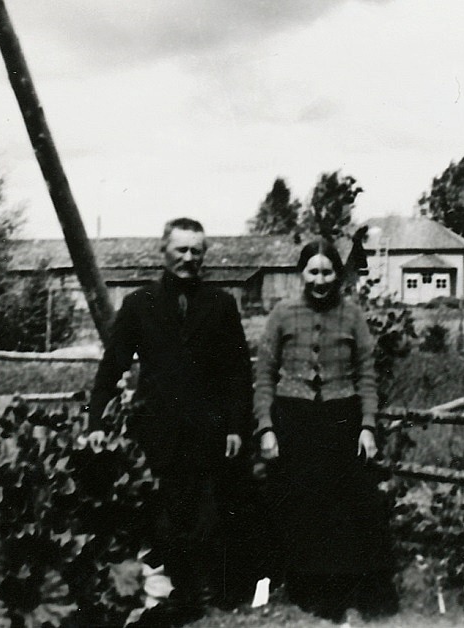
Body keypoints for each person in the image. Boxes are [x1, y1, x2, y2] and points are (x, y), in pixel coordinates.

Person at [89, 217, 259, 623]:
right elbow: (110, 368)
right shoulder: (139, 304)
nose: (188, 258)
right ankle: (171, 594)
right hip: (157, 431)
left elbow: (238, 372)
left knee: (206, 514)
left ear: (204, 256)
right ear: (162, 251)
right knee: (162, 515)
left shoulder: (221, 304)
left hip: (208, 430)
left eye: (195, 251)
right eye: (180, 249)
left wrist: (236, 425)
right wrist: (95, 422)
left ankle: (201, 591)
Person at [254, 239, 399, 623]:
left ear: (338, 275)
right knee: (305, 507)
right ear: (302, 273)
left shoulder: (352, 315)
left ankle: (348, 590)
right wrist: (266, 428)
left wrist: (367, 427)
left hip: (341, 419)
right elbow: (264, 376)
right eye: (313, 272)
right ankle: (310, 590)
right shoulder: (282, 314)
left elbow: (367, 376)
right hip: (294, 419)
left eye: (327, 272)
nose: (320, 280)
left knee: (347, 507)